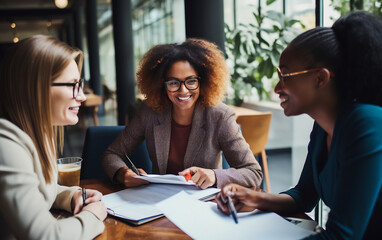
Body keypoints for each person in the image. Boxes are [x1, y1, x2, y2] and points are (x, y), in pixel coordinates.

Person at [216, 11, 382, 239]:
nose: (276, 88)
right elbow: (304, 195)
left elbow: (341, 236)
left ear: (320, 79)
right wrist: (253, 198)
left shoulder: (367, 123)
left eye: (285, 75)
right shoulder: (322, 127)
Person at [102, 38, 263, 189]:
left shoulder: (220, 116)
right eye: (173, 82)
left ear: (204, 81)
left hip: (204, 205)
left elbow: (253, 172)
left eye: (191, 81)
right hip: (159, 204)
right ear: (161, 85)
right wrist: (122, 174)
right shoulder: (149, 112)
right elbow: (112, 154)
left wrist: (214, 175)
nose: (183, 90)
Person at [0, 35, 107, 240]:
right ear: (36, 88)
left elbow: (39, 192)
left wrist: (70, 195)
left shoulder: (38, 132)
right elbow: (44, 236)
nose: (82, 96)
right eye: (72, 85)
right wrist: (92, 217)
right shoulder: (5, 145)